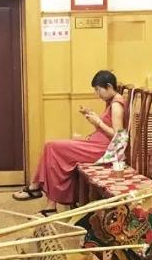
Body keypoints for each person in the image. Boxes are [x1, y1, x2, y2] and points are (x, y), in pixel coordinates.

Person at [14, 69, 126, 215]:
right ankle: (46, 200)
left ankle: (39, 192)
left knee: (52, 147)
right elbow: (107, 126)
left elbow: (118, 137)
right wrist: (92, 117)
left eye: (98, 90)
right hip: (97, 144)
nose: (97, 94)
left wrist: (98, 122)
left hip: (104, 150)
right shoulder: (111, 101)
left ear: (109, 86)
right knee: (51, 148)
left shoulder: (117, 104)